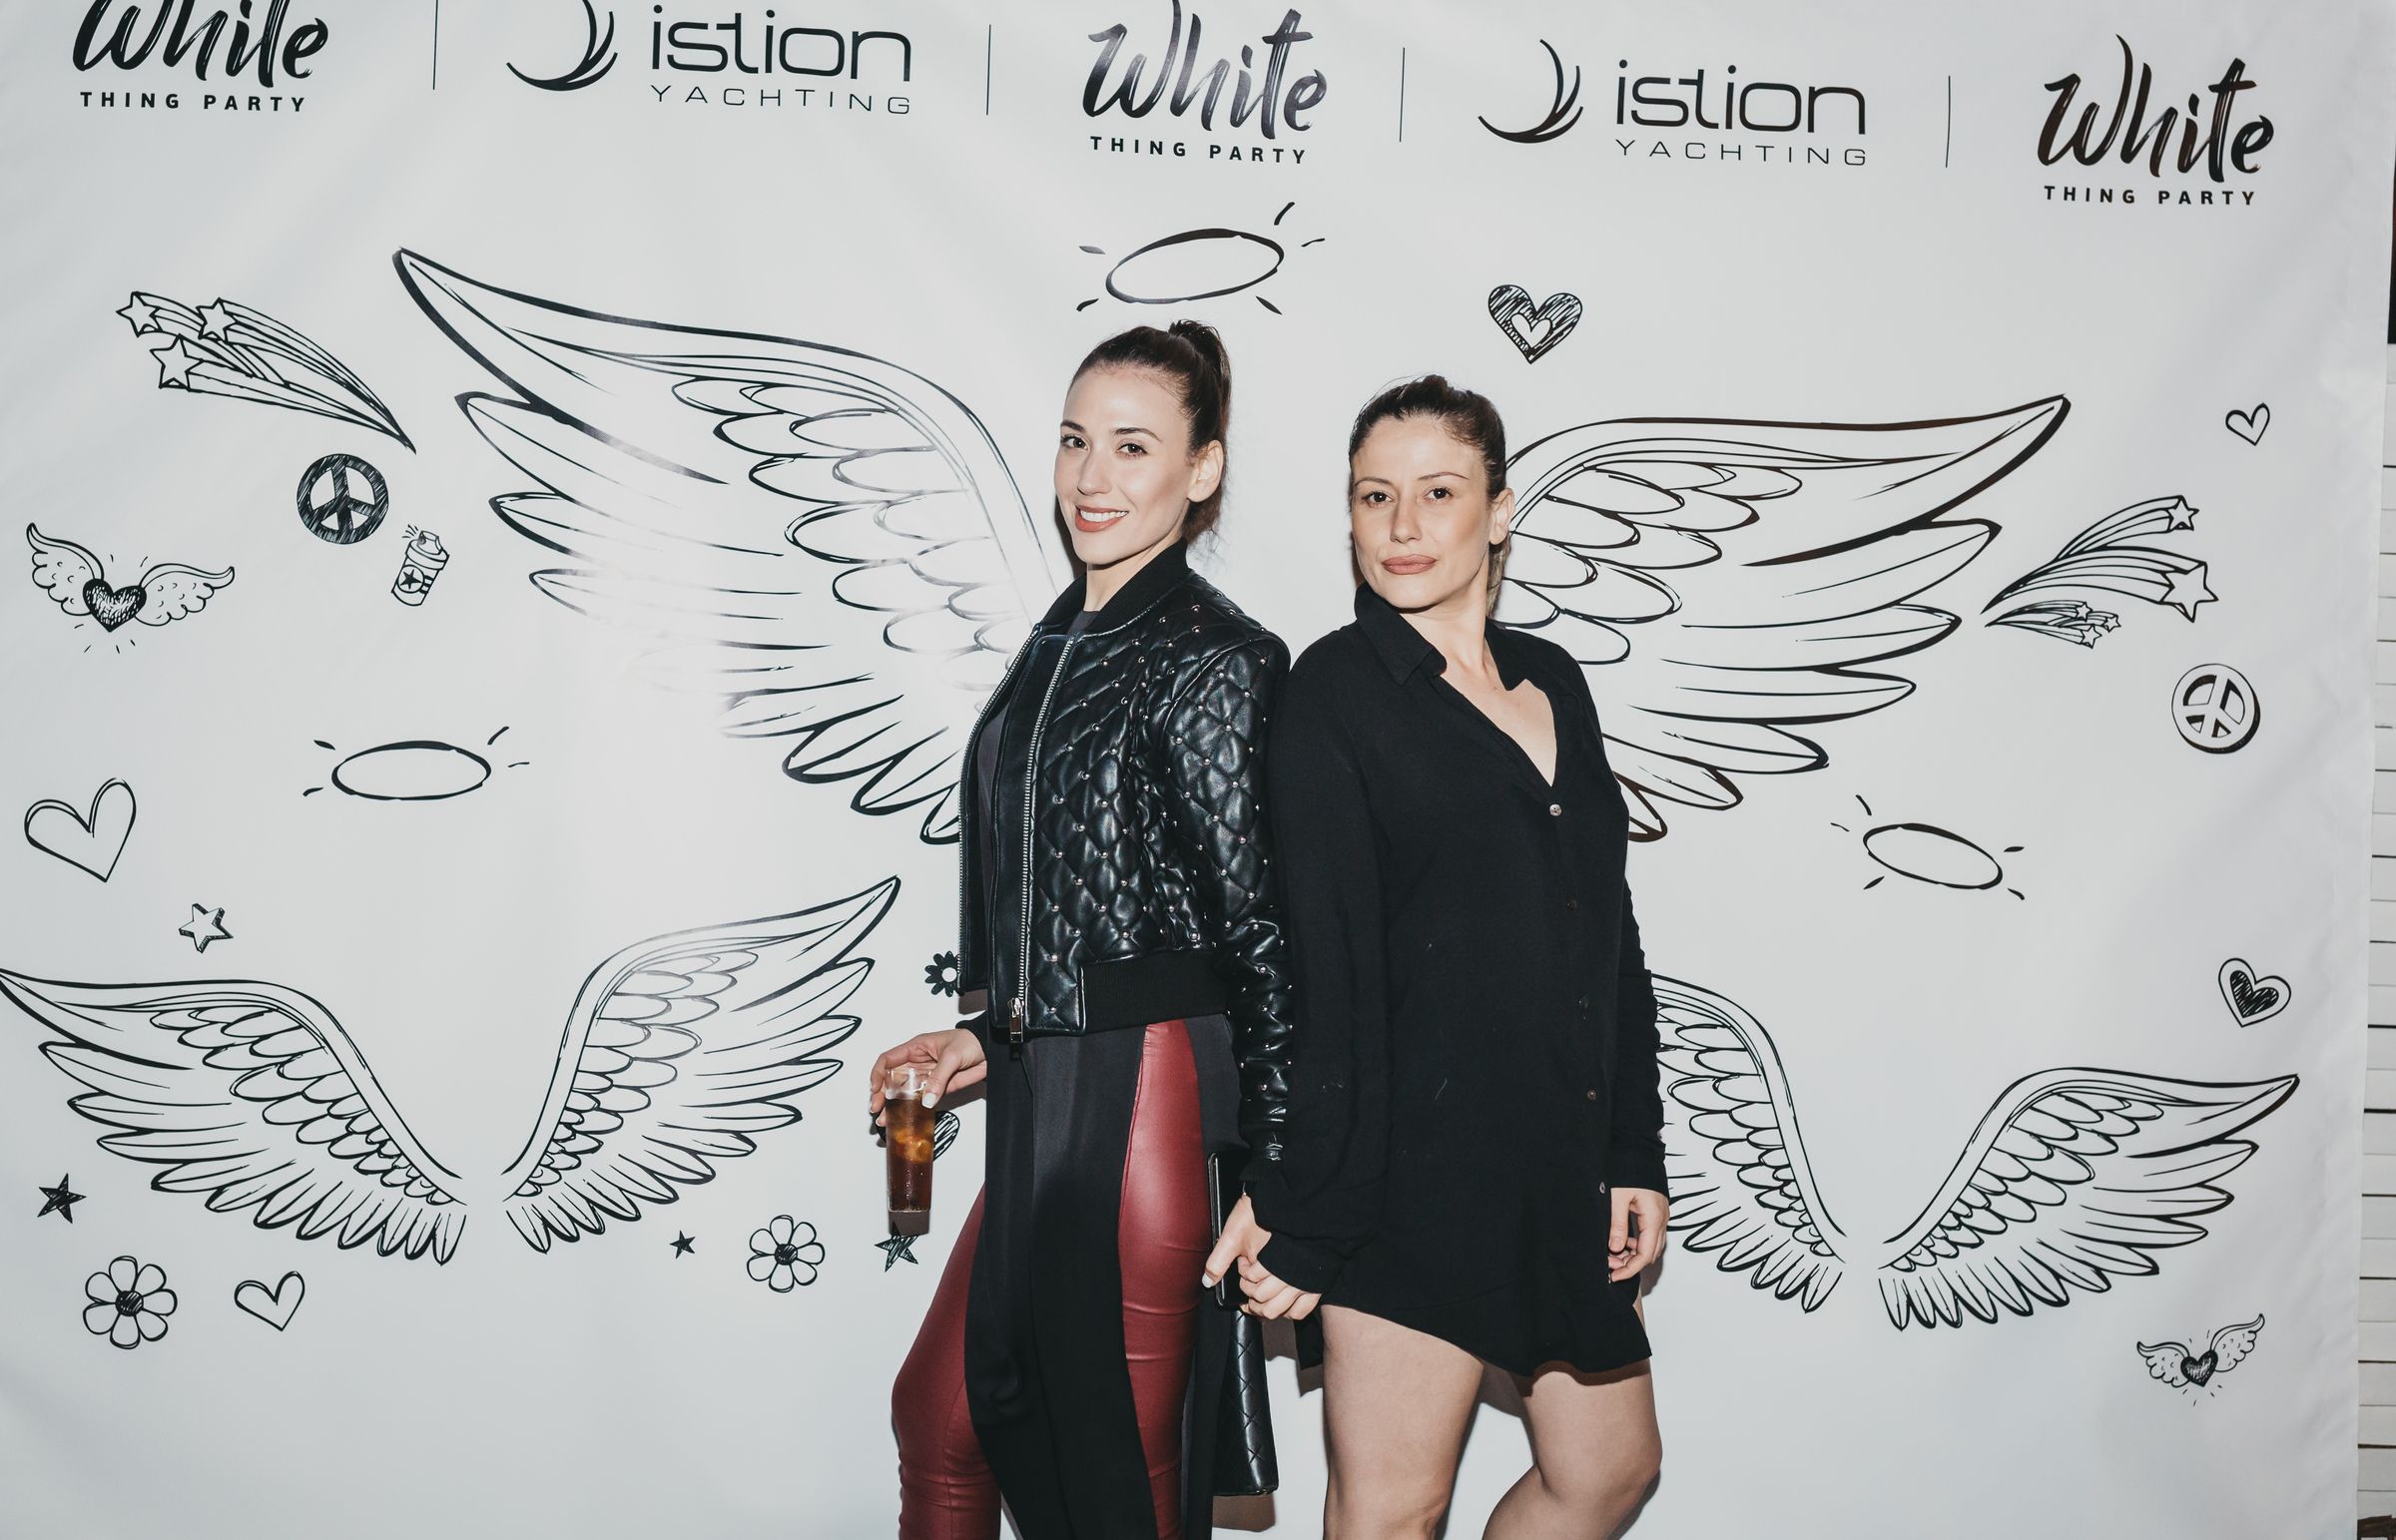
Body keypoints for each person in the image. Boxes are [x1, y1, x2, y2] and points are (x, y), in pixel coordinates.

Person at [1206, 376, 1669, 1539]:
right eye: (1376, 496)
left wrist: (1632, 1149)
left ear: (1499, 510)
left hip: (1552, 1165)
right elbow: (1328, 978)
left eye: (1438, 492)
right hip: (1404, 1183)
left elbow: (1606, 937)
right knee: (1392, 1513)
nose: (1403, 525)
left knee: (1609, 1470)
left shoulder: (1554, 680)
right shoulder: (1333, 694)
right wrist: (1313, 1211)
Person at [871, 320, 1297, 1540]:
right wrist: (984, 1034)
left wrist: (1279, 1171)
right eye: (1074, 442)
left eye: (1132, 446)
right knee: (941, 1420)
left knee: (1121, 1486)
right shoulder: (1061, 636)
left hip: (1144, 1098)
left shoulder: (1218, 655)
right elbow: (1076, 893)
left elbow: (1261, 931)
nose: (1091, 478)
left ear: (1202, 470)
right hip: (1045, 1086)